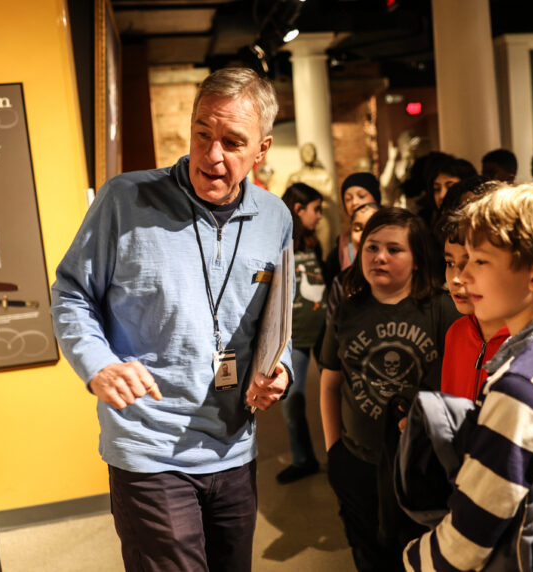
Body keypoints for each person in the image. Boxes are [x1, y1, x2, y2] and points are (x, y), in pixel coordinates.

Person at [50, 67, 291, 571]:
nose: (212, 155)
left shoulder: (276, 219)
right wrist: (97, 364)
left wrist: (281, 370)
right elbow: (71, 293)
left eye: (232, 141)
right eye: (202, 133)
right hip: (149, 447)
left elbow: (276, 321)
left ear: (262, 150)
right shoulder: (124, 200)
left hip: (235, 446)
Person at [403, 183, 533, 571]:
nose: (464, 277)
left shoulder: (521, 388)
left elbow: (466, 541)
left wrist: (412, 558)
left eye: (481, 262)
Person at [319, 207, 459, 571]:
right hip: (358, 461)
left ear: (417, 260)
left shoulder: (443, 309)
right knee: (368, 556)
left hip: (423, 468)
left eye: (394, 249)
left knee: (423, 558)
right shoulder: (347, 311)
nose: (379, 257)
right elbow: (331, 382)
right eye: (371, 247)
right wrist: (334, 451)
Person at [277, 183, 326, 484]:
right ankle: (302, 458)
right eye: (315, 210)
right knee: (291, 399)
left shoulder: (313, 242)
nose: (319, 216)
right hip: (292, 337)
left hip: (323, 332)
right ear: (298, 209)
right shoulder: (278, 242)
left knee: (338, 396)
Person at [438, 211, 509, 401]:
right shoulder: (456, 333)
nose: (455, 278)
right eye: (450, 263)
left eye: (472, 262)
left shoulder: (531, 343)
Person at [323, 172, 382, 287]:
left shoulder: (394, 231)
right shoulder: (342, 242)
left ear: (375, 197)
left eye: (361, 196)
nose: (354, 202)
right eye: (348, 199)